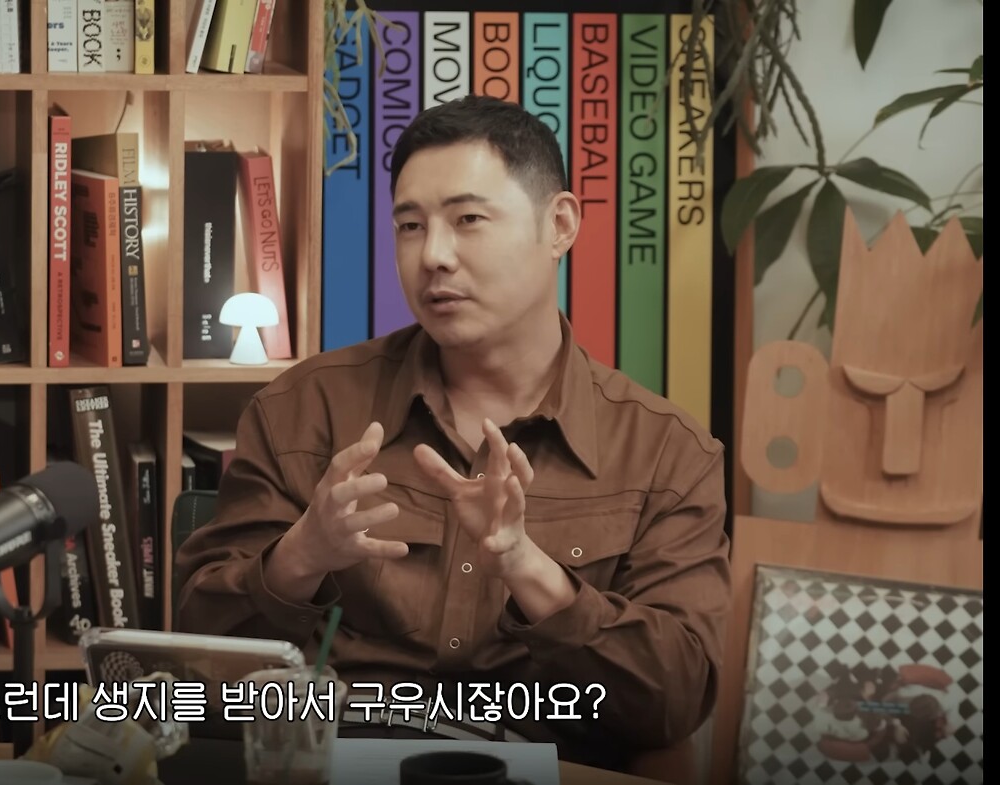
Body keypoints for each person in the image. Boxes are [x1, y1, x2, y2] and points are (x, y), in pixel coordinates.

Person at [172, 95, 731, 771]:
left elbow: (675, 699)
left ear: (559, 225)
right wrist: (302, 555)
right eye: (410, 226)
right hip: (336, 756)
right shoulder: (305, 409)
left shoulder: (667, 454)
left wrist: (529, 569)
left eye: (468, 220)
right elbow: (196, 659)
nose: (433, 255)